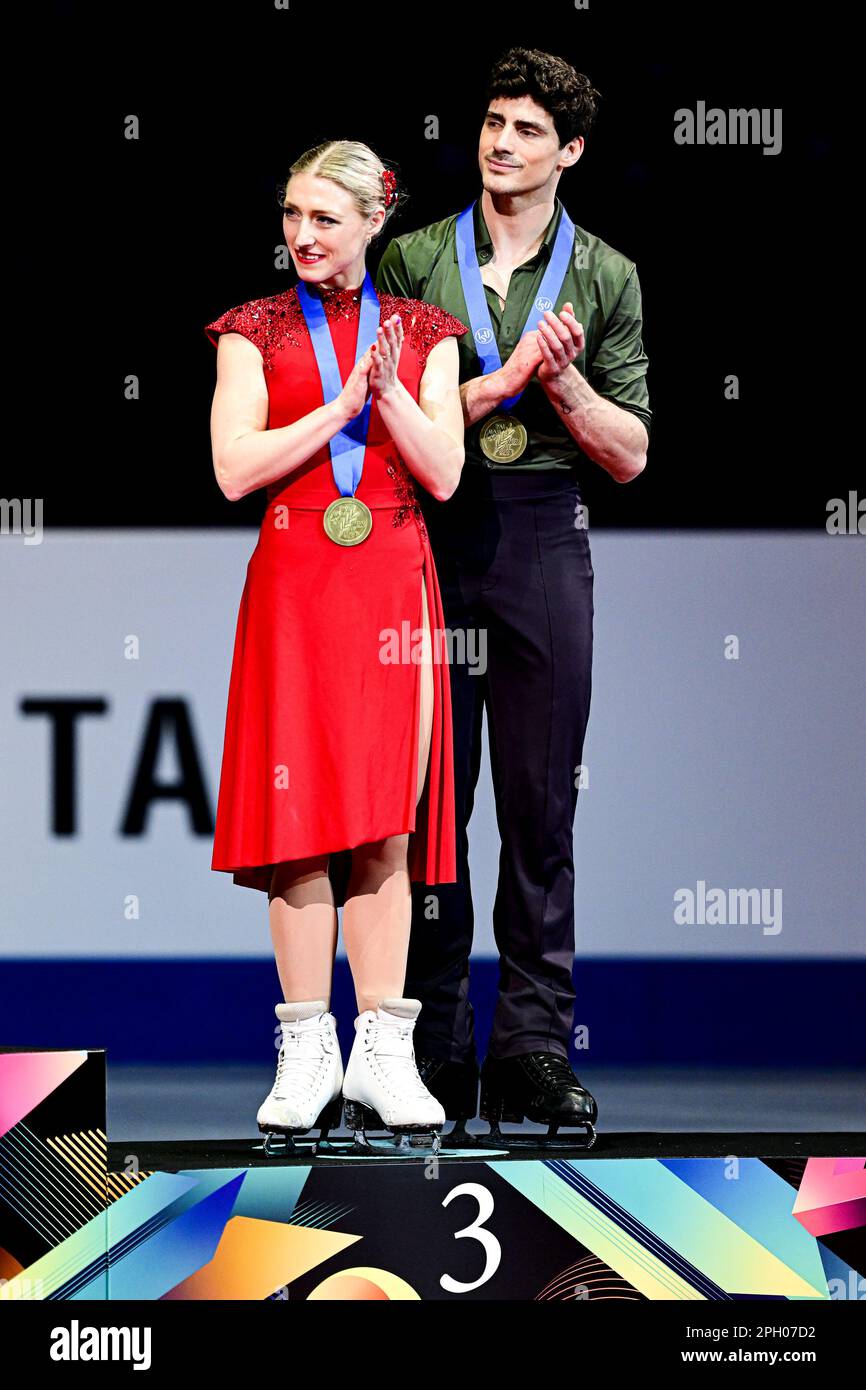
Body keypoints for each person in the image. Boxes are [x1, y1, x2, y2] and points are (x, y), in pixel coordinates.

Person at [376, 48, 652, 1146]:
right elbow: (384, 421)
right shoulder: (408, 258)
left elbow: (628, 455)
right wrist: (496, 379)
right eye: (492, 123)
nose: (500, 143)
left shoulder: (609, 276)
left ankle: (533, 1051)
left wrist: (564, 379)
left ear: (570, 150)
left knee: (539, 808)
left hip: (543, 532)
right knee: (429, 810)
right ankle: (431, 1049)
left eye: (528, 130)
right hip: (430, 532)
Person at [204, 140, 468, 1153]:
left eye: (323, 217)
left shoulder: (425, 332)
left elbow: (444, 472)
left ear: (373, 221)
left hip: (391, 584)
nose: (301, 235)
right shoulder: (250, 328)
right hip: (295, 581)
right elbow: (233, 469)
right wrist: (336, 410)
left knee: (384, 826)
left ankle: (382, 1051)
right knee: (298, 819)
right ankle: (304, 1046)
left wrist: (388, 393)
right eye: (290, 215)